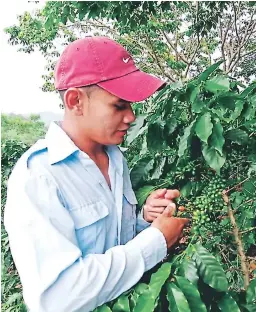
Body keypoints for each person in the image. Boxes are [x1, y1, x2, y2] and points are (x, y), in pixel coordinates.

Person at [4, 36, 189, 312]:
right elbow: (57, 299)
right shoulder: (38, 177)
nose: (131, 116)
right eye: (119, 105)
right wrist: (156, 241)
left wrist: (146, 220)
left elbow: (115, 243)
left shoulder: (116, 159)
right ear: (75, 100)